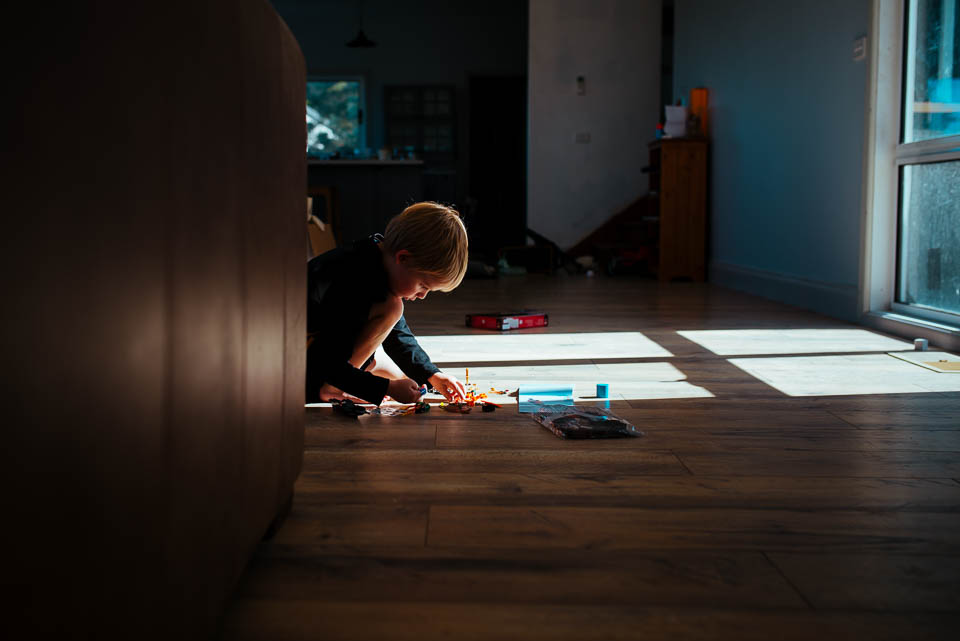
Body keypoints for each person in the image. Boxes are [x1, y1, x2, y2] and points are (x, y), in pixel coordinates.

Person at [306, 201, 468, 405]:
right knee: (393, 310)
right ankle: (331, 389)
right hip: (300, 373)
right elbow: (326, 363)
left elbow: (397, 335)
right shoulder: (352, 281)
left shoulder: (372, 260)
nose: (422, 296)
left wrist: (432, 374)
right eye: (422, 285)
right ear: (403, 258)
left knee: (396, 372)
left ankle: (343, 382)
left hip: (320, 355)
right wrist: (384, 388)